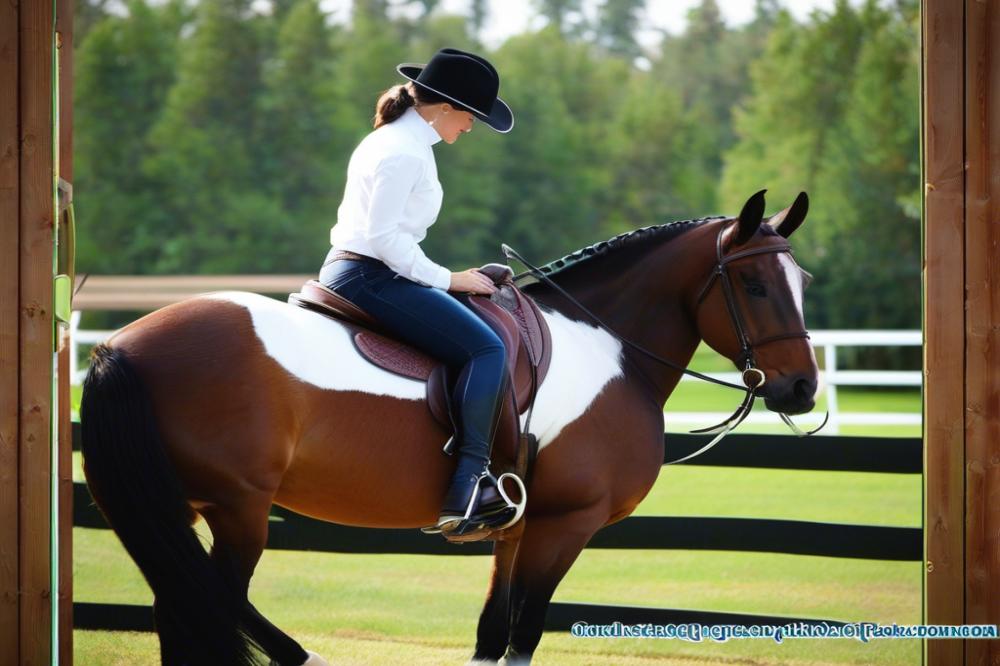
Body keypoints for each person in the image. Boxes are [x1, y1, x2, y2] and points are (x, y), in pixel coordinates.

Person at [318, 48, 517, 538]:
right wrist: (449, 279)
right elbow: (385, 239)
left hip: (370, 270)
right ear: (446, 108)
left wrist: (450, 276)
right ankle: (468, 484)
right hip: (369, 276)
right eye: (470, 116)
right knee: (487, 348)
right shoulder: (403, 152)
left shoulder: (401, 142)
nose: (470, 128)